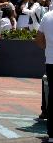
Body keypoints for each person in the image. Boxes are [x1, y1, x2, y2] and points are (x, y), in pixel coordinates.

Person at [35, 10, 53, 143]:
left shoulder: (47, 16)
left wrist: (49, 49)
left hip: (51, 62)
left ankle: (52, 133)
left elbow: (39, 40)